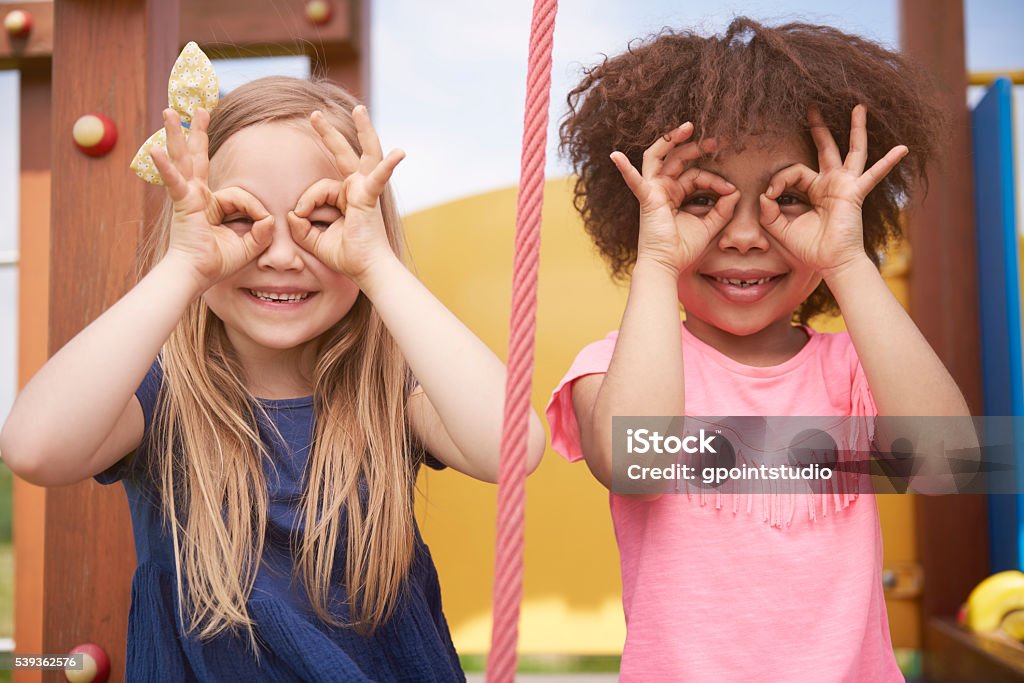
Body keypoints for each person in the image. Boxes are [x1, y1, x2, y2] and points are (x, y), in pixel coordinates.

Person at [1, 44, 545, 682]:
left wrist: (374, 263)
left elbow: (513, 450)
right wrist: (185, 265)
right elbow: (36, 448)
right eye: (239, 218)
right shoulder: (161, 398)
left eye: (321, 219)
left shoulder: (389, 392)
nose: (283, 255)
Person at [546, 17, 969, 681]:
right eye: (700, 197)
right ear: (638, 214)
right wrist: (659, 256)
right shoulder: (614, 368)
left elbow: (949, 463)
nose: (744, 234)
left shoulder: (852, 371)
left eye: (789, 196)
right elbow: (637, 464)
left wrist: (847, 260)